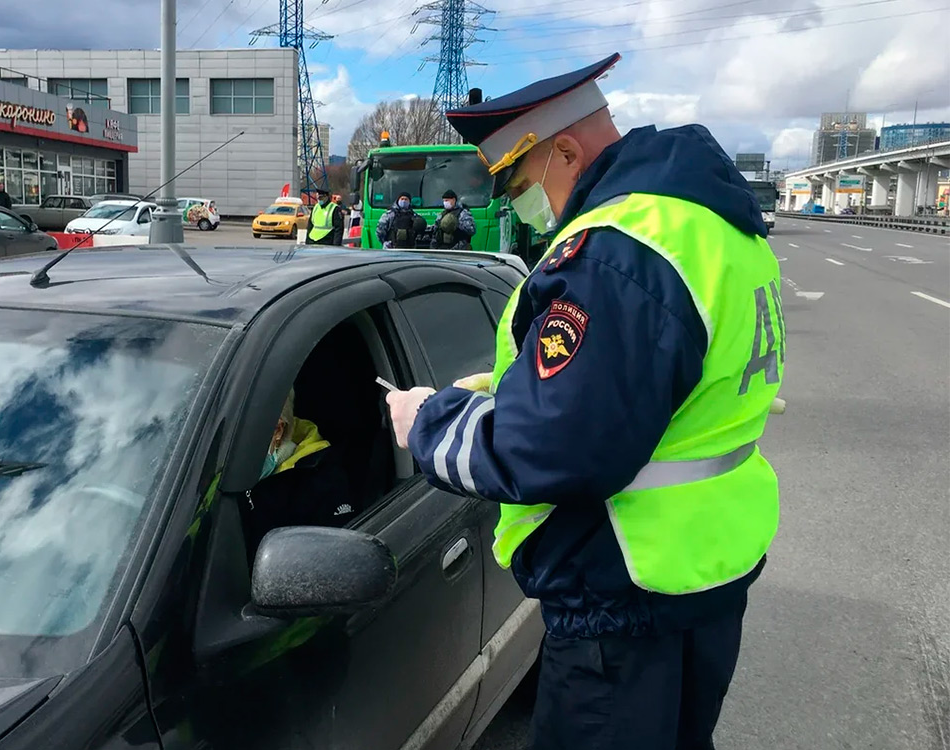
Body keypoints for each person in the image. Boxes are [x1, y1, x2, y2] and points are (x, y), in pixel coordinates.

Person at [384, 52, 785, 750]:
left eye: (514, 186)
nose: (517, 206)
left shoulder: (617, 251)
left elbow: (556, 448)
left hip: (624, 598)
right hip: (702, 573)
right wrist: (510, 390)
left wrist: (428, 423)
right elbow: (656, 384)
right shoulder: (712, 226)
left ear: (564, 151)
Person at [240, 389, 358, 553]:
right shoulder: (211, 472)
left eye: (240, 435)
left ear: (277, 431)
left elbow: (334, 558)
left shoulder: (323, 483)